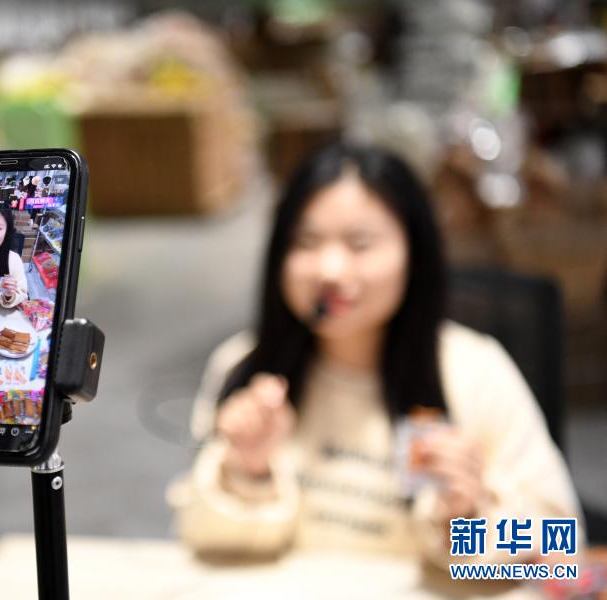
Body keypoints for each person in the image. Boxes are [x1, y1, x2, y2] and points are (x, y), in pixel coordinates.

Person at [173, 142, 582, 568]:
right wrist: (246, 473)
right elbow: (196, 539)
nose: (330, 271)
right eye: (306, 242)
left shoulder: (474, 372)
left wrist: (468, 519)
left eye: (360, 243)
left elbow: (563, 542)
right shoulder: (245, 366)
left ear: (414, 254)